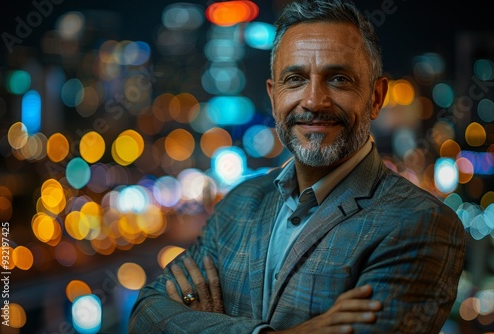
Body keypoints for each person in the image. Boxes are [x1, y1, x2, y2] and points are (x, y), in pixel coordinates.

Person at [129, 0, 466, 332]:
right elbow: (144, 316)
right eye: (295, 79)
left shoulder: (422, 222)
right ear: (274, 96)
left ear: (376, 98)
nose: (313, 101)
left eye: (338, 79)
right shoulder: (239, 203)